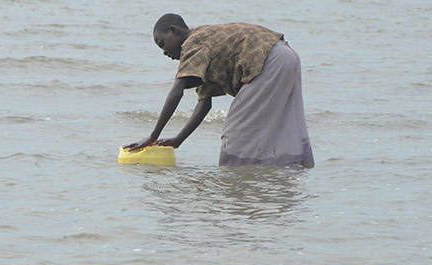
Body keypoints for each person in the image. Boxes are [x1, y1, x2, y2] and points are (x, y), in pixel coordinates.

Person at [125, 14, 315, 167]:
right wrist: (178, 139)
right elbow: (204, 103)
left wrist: (153, 136)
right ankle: (285, 172)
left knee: (235, 132)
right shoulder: (202, 48)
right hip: (286, 55)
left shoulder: (193, 43)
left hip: (270, 61)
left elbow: (177, 91)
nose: (164, 53)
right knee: (282, 124)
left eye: (163, 44)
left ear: (173, 31)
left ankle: (239, 178)